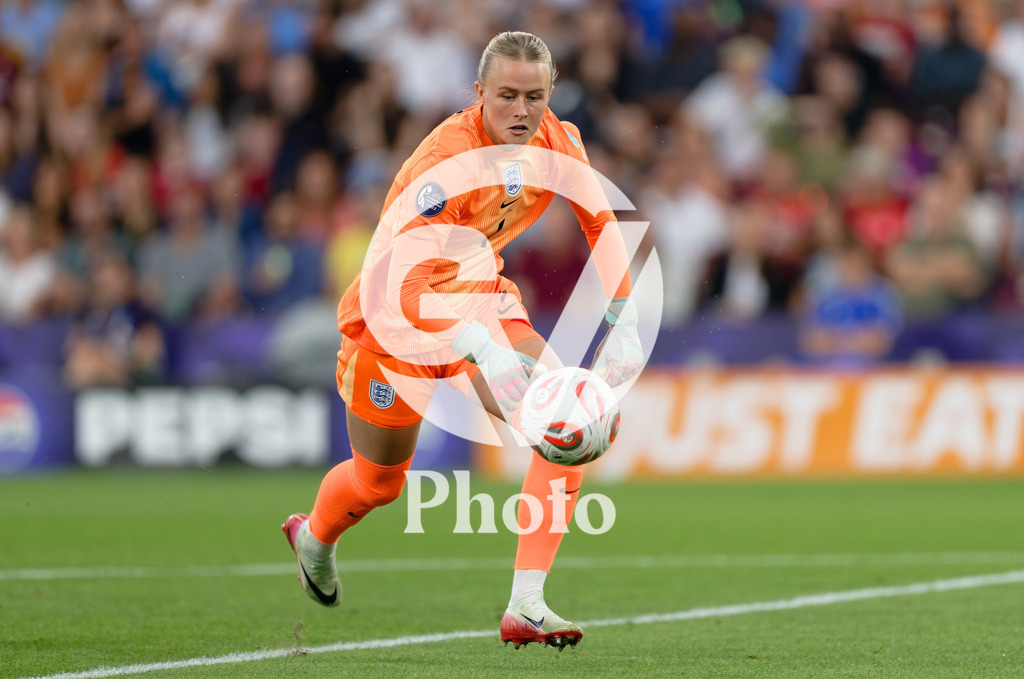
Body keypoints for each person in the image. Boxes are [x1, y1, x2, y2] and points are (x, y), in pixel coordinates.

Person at [281, 31, 643, 651]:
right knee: (380, 483)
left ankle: (527, 603)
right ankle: (315, 536)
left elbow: (600, 219)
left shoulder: (560, 141)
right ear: (479, 94)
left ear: (552, 94)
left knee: (560, 419)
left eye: (535, 96)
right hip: (398, 321)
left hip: (481, 296)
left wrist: (625, 316)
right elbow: (400, 289)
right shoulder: (442, 168)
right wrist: (476, 342)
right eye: (506, 96)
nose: (522, 111)